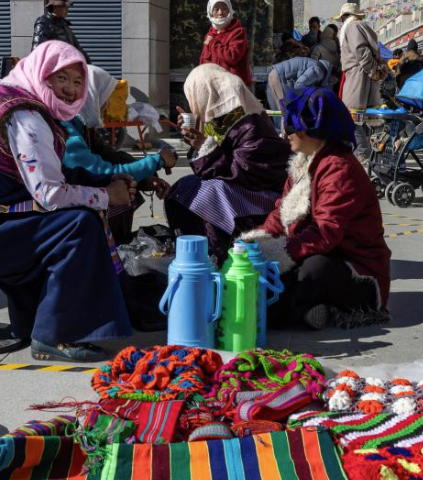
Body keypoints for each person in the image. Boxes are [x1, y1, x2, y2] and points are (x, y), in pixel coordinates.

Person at [0, 41, 134, 361]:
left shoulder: (14, 97)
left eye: (77, 81)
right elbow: (50, 194)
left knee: (60, 220)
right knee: (78, 225)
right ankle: (55, 334)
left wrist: (101, 184)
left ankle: (33, 322)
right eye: (60, 78)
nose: (69, 89)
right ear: (41, 73)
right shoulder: (27, 115)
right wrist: (107, 196)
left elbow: (50, 174)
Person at [243, 87, 392, 331]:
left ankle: (292, 311)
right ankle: (308, 310)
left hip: (357, 270)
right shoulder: (303, 162)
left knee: (312, 271)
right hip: (321, 251)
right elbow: (281, 213)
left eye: (291, 127)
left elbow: (326, 232)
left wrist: (279, 252)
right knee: (269, 270)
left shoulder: (338, 168)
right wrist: (259, 242)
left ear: (313, 129)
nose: (285, 133)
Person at [165, 64, 291, 265]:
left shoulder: (250, 122)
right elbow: (210, 168)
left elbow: (241, 171)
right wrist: (197, 133)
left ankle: (216, 254)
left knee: (207, 194)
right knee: (186, 187)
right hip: (242, 188)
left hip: (261, 198)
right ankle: (191, 248)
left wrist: (203, 145)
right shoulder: (224, 118)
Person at [61, 65, 176, 245]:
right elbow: (103, 172)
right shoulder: (66, 130)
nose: (107, 105)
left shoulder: (81, 125)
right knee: (120, 193)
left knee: (124, 187)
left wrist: (147, 177)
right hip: (62, 206)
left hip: (73, 195)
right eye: (103, 98)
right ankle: (108, 254)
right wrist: (158, 160)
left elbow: (112, 156)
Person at [334, 3, 383, 160]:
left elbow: (361, 51)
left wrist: (372, 70)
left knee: (351, 116)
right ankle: (368, 152)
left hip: (358, 75)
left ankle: (363, 153)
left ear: (344, 17)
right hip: (358, 73)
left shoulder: (352, 26)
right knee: (359, 116)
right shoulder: (355, 26)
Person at [267, 56, 335, 128]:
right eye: (334, 81)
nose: (331, 83)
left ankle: (284, 135)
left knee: (283, 113)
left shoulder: (318, 67)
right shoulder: (318, 71)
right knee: (285, 114)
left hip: (274, 74)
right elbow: (299, 85)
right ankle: (286, 136)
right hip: (278, 78)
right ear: (333, 76)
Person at [200, 0, 253, 87]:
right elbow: (203, 59)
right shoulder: (209, 36)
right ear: (210, 12)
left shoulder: (238, 32)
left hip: (233, 87)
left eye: (224, 9)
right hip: (213, 86)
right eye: (216, 9)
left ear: (230, 10)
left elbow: (232, 57)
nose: (220, 13)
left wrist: (213, 43)